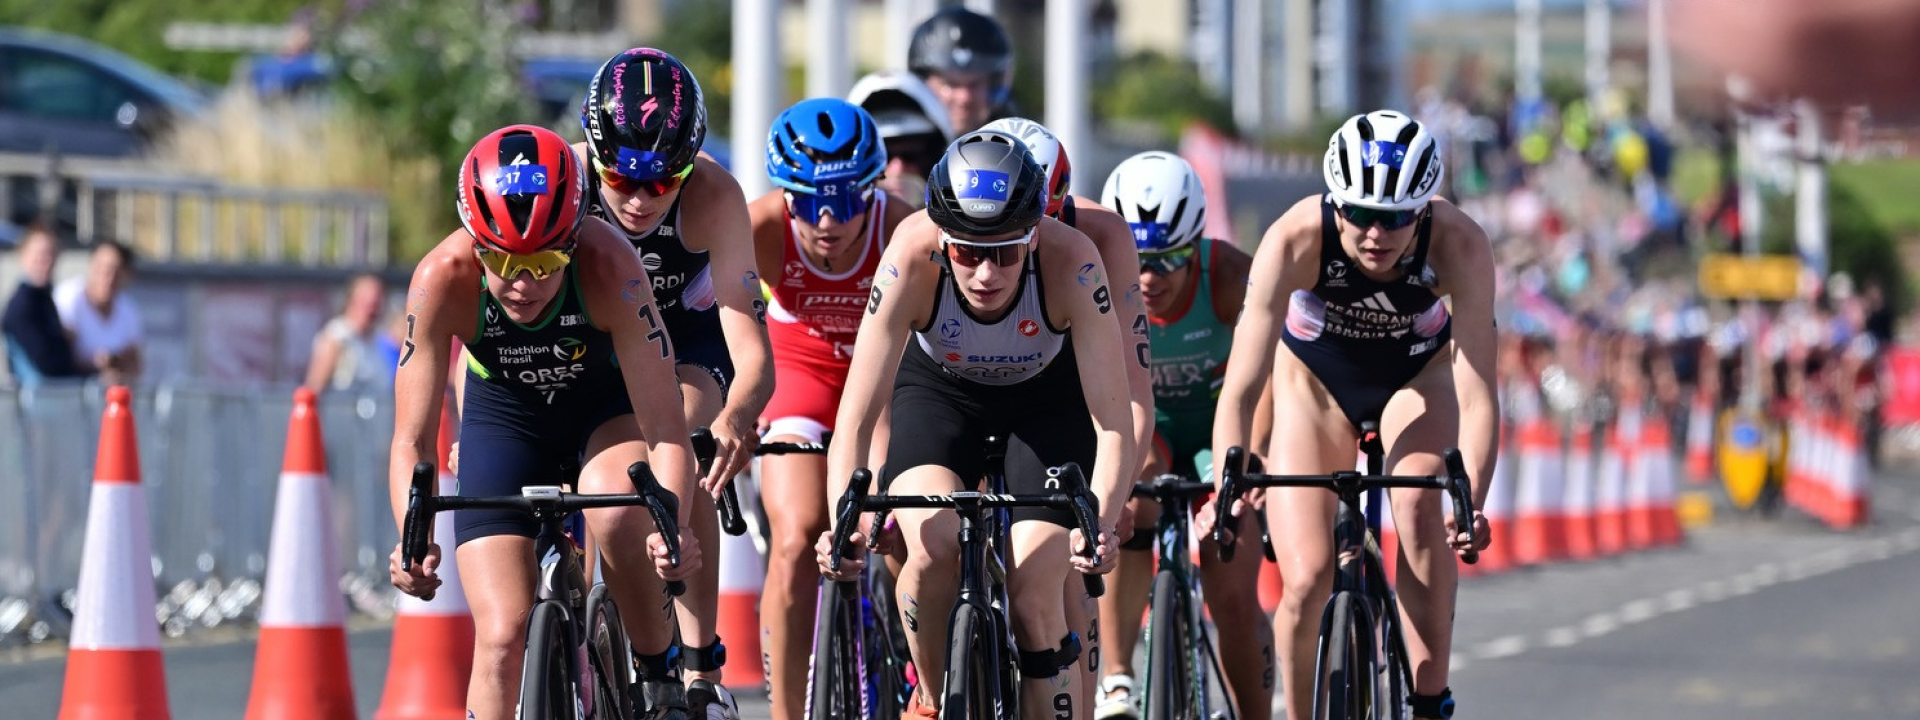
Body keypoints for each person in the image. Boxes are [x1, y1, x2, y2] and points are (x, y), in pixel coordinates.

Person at [385, 124, 704, 719]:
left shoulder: (613, 266)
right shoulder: (441, 278)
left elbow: (665, 431)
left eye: (548, 260)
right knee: (502, 635)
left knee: (614, 513)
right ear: (474, 243)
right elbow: (412, 438)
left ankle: (660, 676)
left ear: (576, 241)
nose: (524, 282)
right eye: (501, 260)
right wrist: (412, 538)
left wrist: (672, 526)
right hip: (504, 416)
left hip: (602, 411)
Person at [814, 130, 1130, 719]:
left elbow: (1114, 424)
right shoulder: (910, 253)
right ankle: (933, 696)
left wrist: (1102, 523)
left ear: (1034, 236)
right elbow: (854, 419)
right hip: (942, 397)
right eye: (965, 252)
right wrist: (846, 521)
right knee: (931, 547)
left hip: (1044, 408)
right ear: (941, 240)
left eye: (1006, 252)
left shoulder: (1074, 262)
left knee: (1037, 595)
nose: (985, 273)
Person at [1211, 110, 1498, 720]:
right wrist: (1228, 483)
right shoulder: (1294, 237)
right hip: (1314, 383)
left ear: (1423, 210)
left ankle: (1427, 699)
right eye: (1358, 213)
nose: (1375, 233)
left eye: (1394, 217)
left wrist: (1472, 501)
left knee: (1420, 507)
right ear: (1333, 204)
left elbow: (1477, 393)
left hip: (1415, 378)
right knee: (1309, 579)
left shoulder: (1461, 244)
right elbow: (1242, 385)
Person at [579, 47, 774, 717]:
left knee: (687, 446)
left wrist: (736, 416)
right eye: (620, 181)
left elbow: (751, 348)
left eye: (662, 183)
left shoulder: (716, 197)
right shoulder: (564, 182)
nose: (638, 199)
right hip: (590, 344)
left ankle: (699, 664)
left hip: (686, 344)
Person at [978, 116, 1157, 704]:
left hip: (1065, 395)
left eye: (1041, 220)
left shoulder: (1099, 239)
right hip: (974, 389)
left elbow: (1131, 391)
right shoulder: (962, 223)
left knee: (1063, 585)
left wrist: (1113, 500)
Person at [1091, 150, 1274, 720]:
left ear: (1196, 245)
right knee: (1131, 501)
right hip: (1148, 429)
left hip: (1219, 428)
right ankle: (1117, 677)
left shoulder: (1230, 277)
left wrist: (1247, 468)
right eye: (1138, 258)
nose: (1148, 277)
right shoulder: (1095, 273)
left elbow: (1266, 386)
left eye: (1168, 260)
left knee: (1233, 593)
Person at [746, 97, 912, 720]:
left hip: (884, 386)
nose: (826, 219)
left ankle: (922, 667)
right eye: (807, 198)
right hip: (801, 376)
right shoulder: (758, 228)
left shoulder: (903, 226)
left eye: (845, 199)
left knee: (898, 531)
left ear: (872, 190)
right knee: (794, 540)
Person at [847, 71, 954, 208]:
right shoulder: (830, 227)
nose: (898, 169)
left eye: (912, 155)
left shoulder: (958, 228)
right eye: (882, 157)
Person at [907, 5, 1015, 136]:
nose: (964, 97)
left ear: (995, 86)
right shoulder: (894, 150)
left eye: (975, 84)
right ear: (921, 84)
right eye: (950, 83)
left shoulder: (1022, 149)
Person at [3, 222, 85, 385]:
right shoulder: (23, 305)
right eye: (40, 254)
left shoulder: (44, 298)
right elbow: (48, 364)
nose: (46, 261)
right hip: (37, 402)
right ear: (23, 255)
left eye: (52, 254)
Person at [54, 240, 143, 387]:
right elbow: (61, 354)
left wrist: (115, 365)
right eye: (103, 269)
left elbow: (136, 362)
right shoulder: (69, 297)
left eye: (116, 271)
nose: (108, 278)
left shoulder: (128, 308)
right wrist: (97, 366)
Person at [304, 272, 389, 392]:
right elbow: (314, 388)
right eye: (366, 301)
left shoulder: (379, 340)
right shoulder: (336, 337)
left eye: (376, 302)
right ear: (352, 299)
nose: (372, 308)